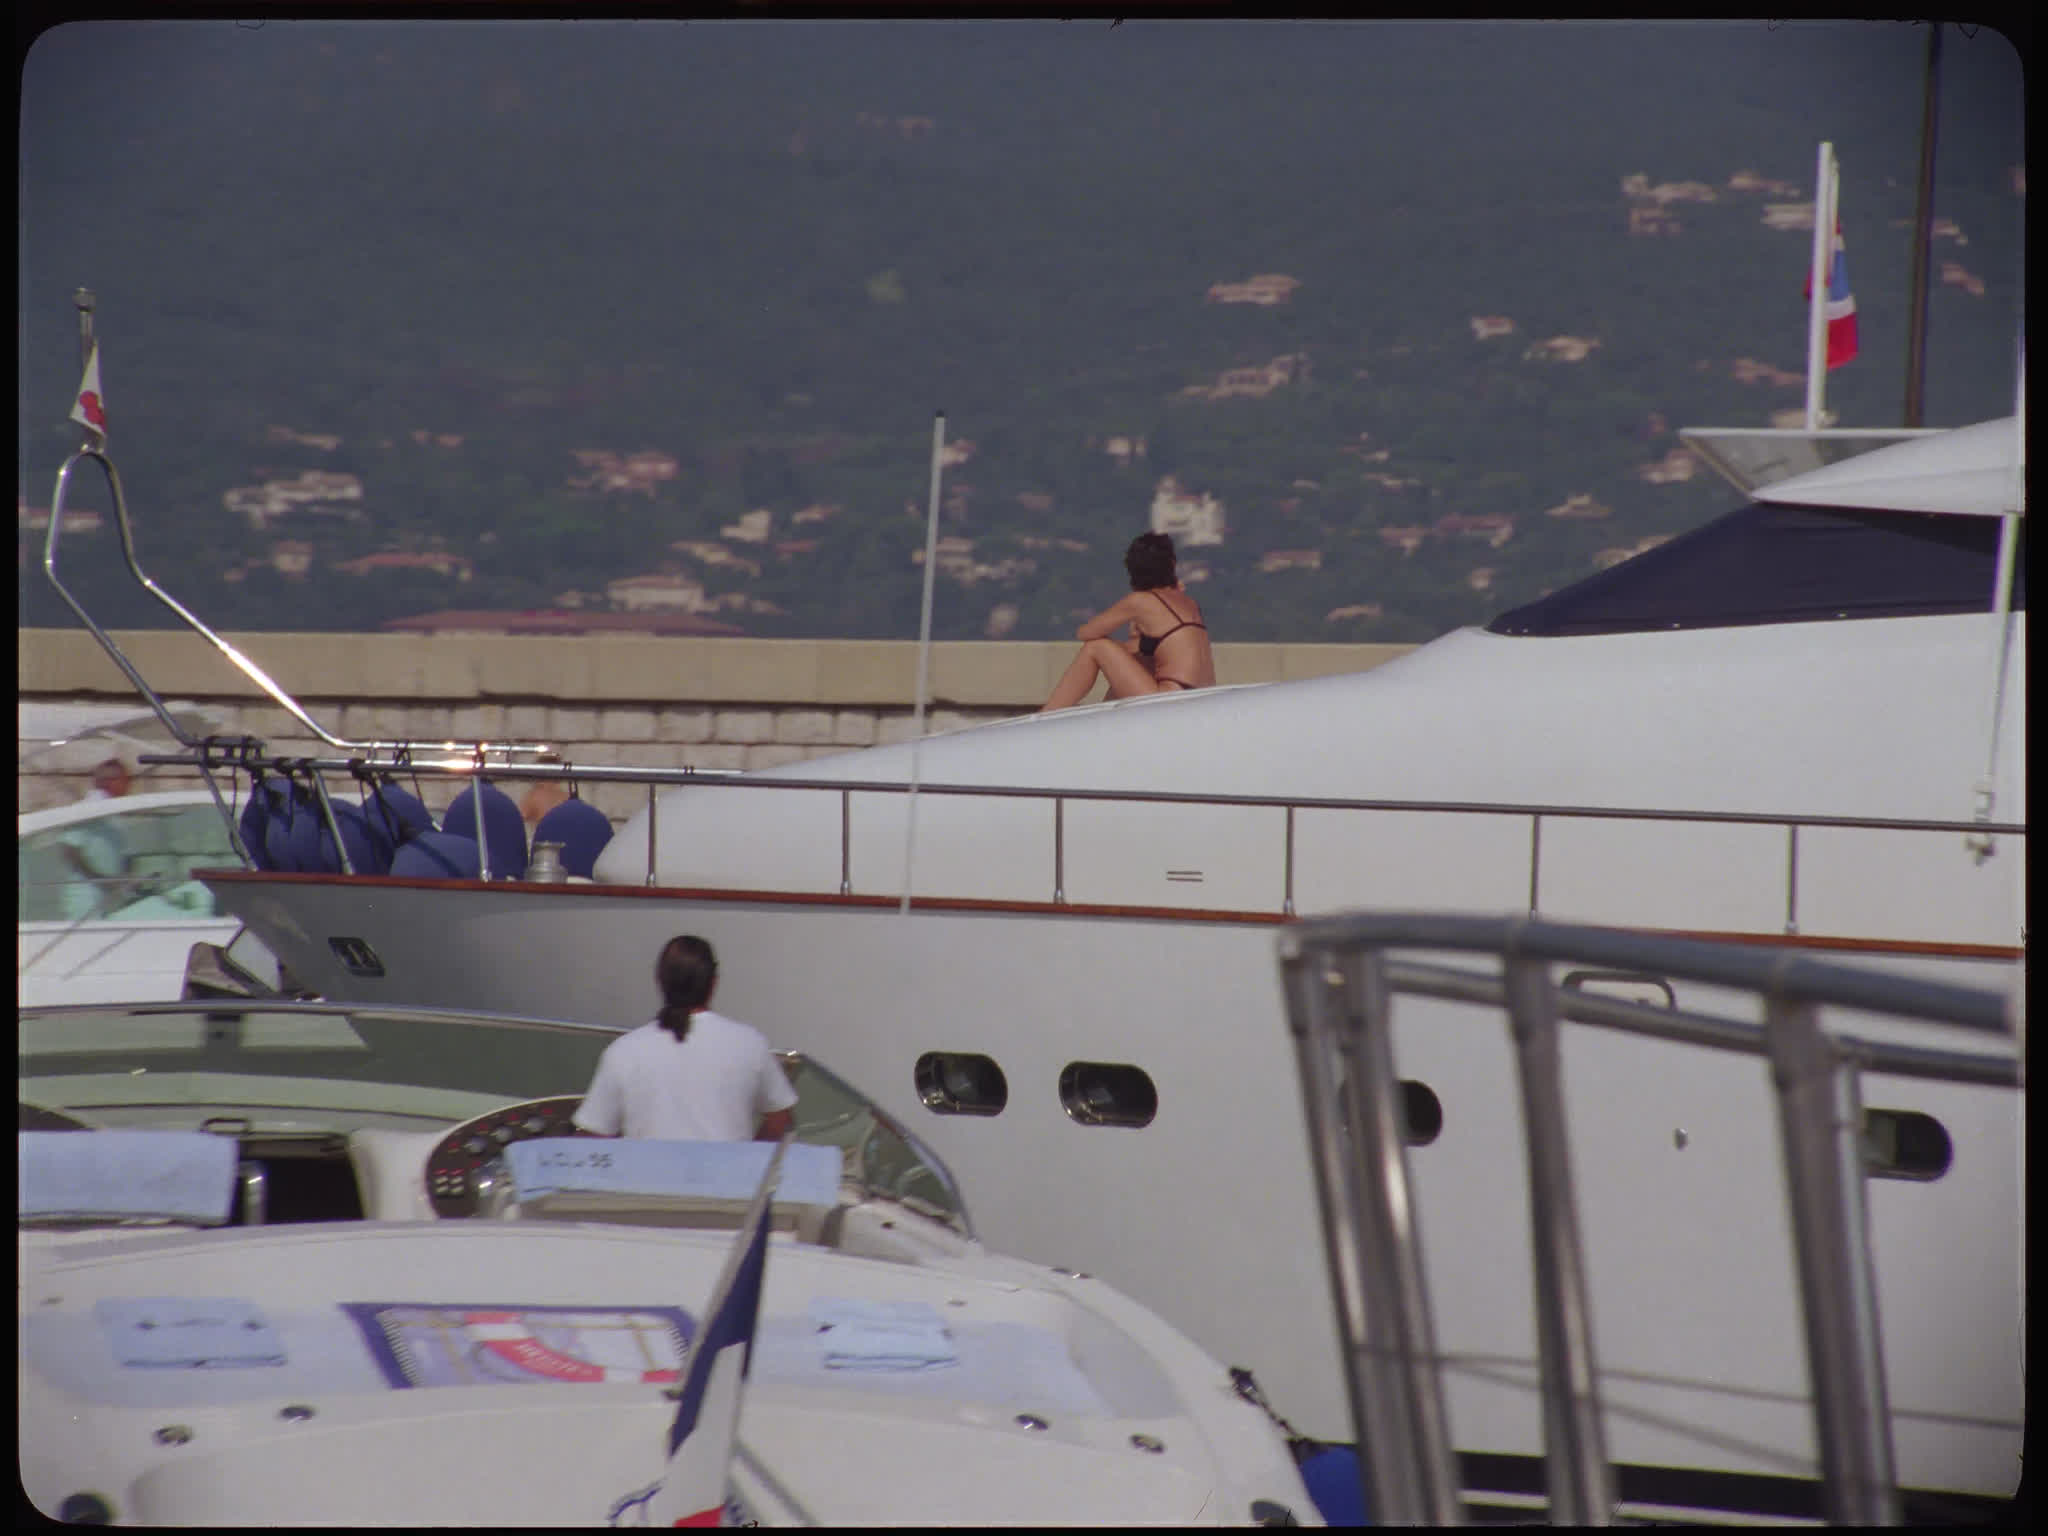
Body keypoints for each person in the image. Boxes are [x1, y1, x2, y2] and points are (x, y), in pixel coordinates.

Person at [573, 935, 798, 1143]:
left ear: (659, 980)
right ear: (713, 982)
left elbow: (593, 1137)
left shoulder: (624, 1052)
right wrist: (749, 1160)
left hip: (647, 1174)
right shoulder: (750, 1044)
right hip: (728, 1174)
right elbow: (780, 1121)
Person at [1039, 531, 1216, 712]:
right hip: (1200, 697)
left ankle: (1046, 716)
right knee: (1136, 658)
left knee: (1096, 647)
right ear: (1172, 565)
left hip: (1170, 697)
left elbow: (1086, 633)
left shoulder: (1141, 601)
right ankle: (1106, 719)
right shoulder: (1190, 603)